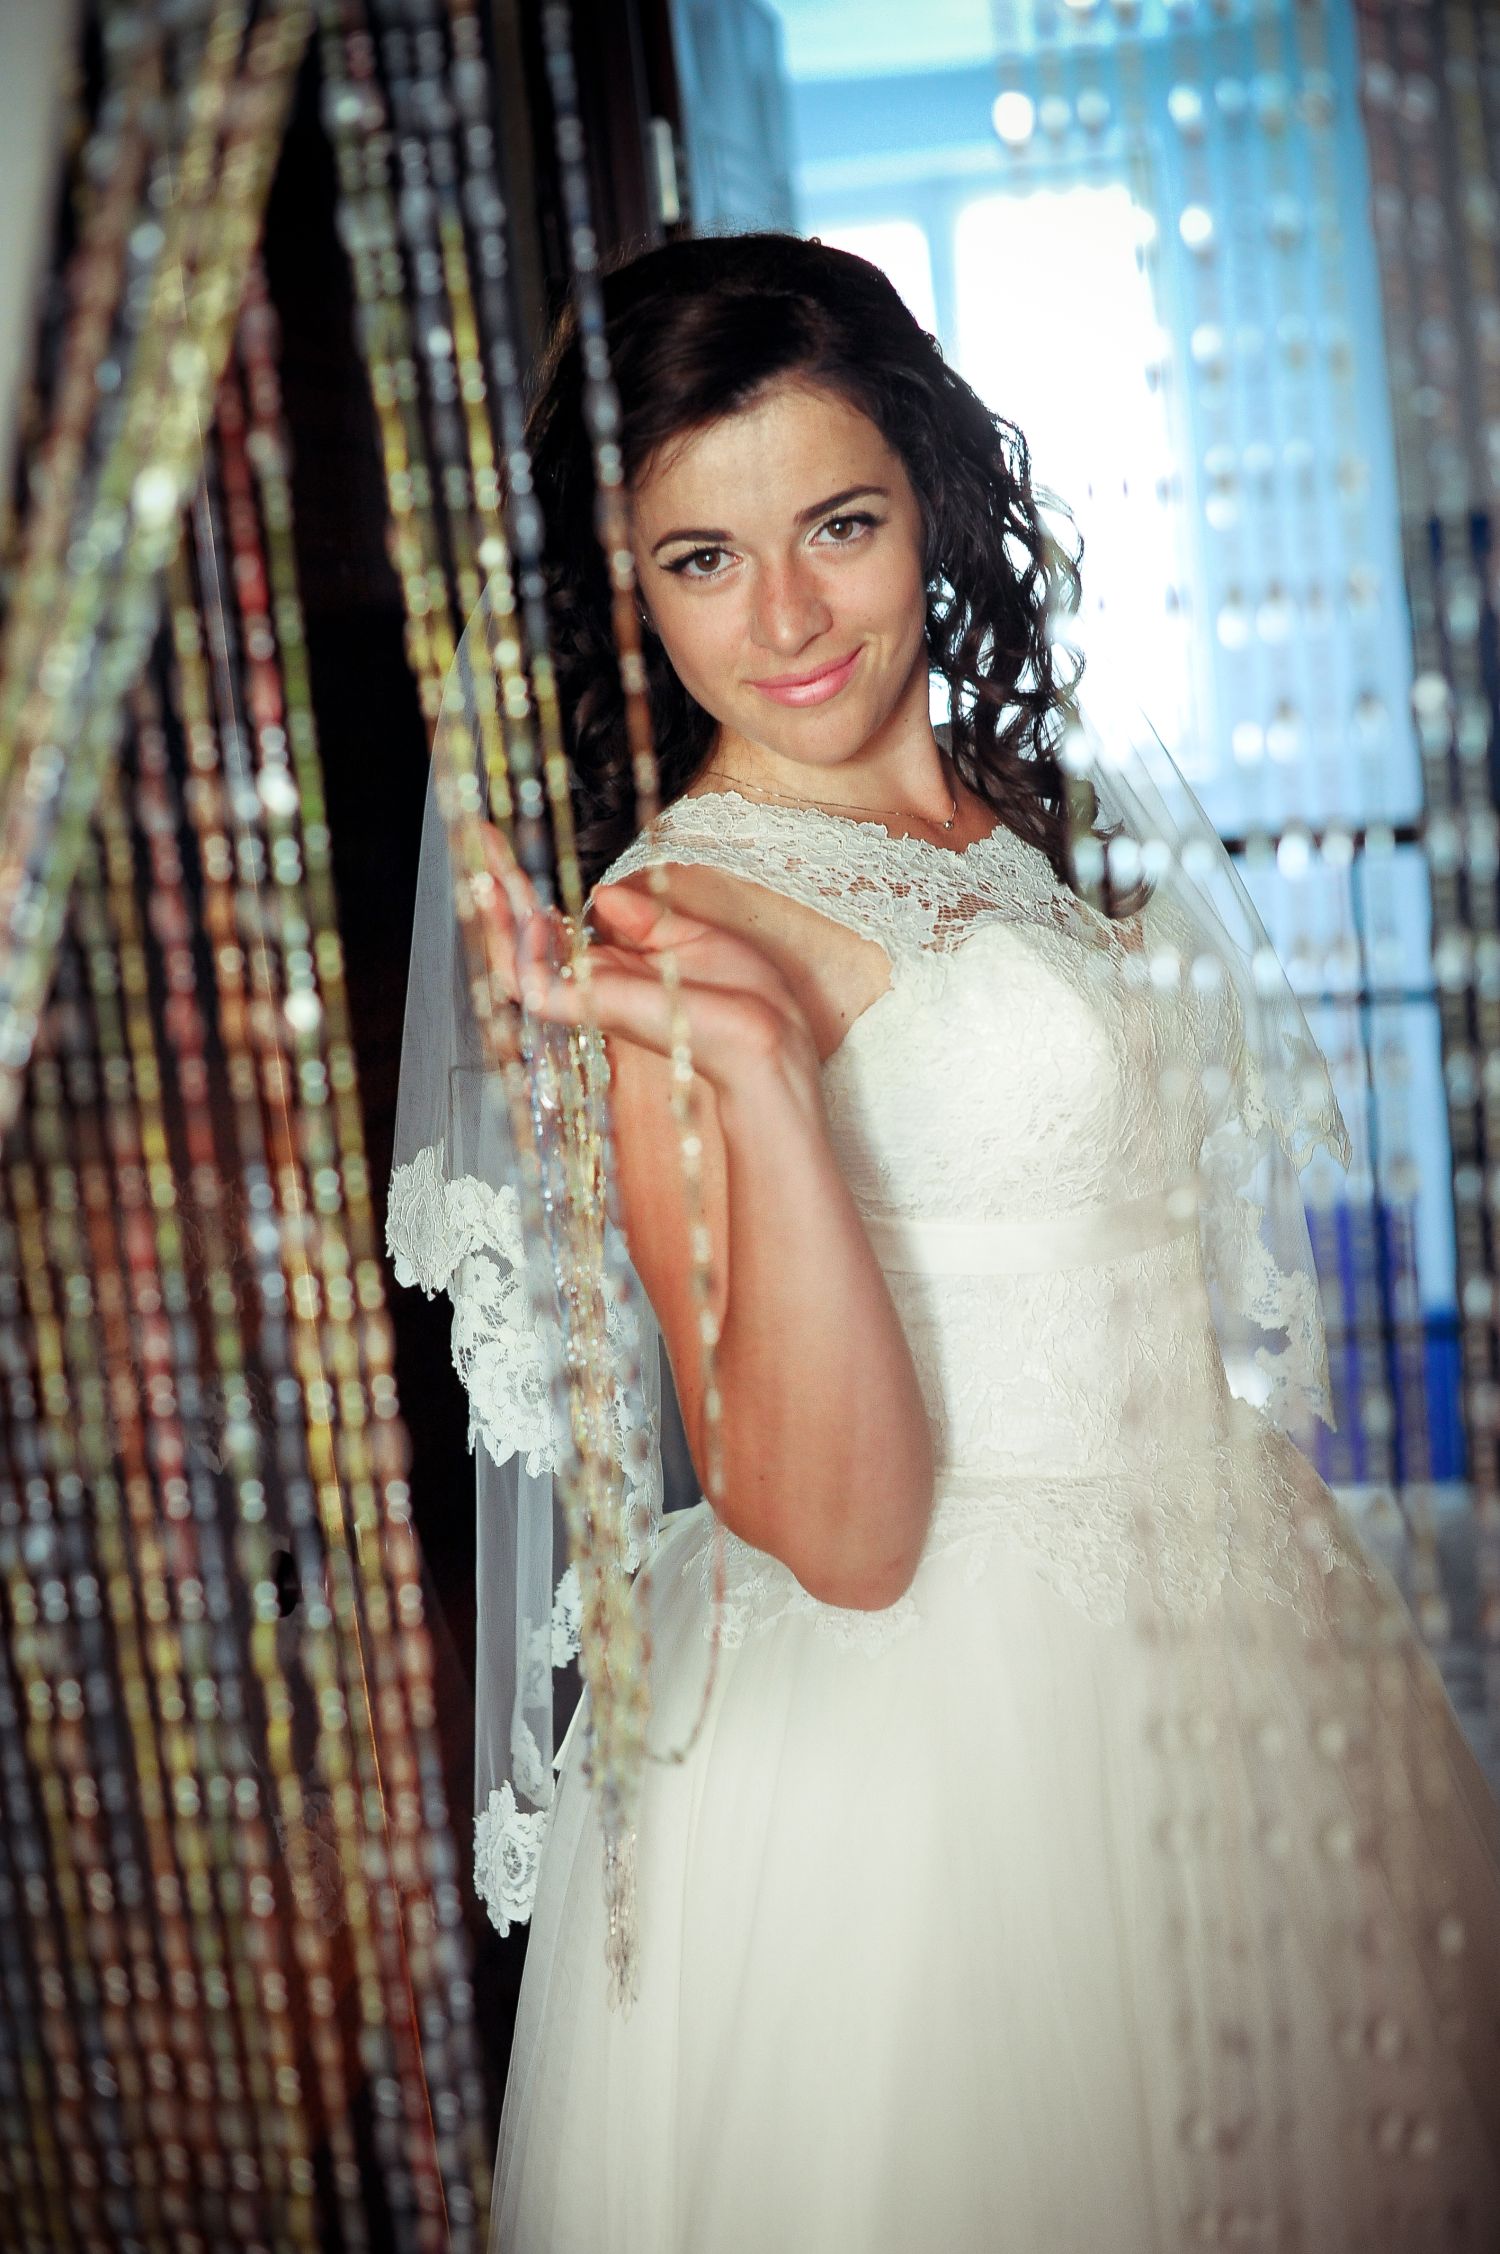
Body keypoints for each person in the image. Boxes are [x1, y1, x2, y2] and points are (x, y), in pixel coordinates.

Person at [389, 235, 1500, 2251]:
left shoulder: (1022, 807)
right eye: (701, 560)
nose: (788, 618)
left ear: (929, 497)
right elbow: (837, 1529)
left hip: (1234, 1625)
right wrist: (752, 1065)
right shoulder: (674, 926)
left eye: (838, 524)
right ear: (625, 592)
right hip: (940, 1739)